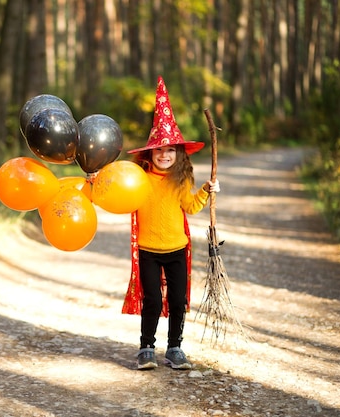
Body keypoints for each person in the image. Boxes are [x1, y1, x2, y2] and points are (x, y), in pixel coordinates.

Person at [122, 76, 220, 370]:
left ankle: (175, 348)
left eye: (170, 150)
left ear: (178, 154)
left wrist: (205, 190)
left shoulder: (181, 179)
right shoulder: (138, 179)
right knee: (152, 299)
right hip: (148, 250)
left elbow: (190, 206)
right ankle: (146, 348)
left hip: (177, 248)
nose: (165, 154)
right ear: (150, 152)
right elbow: (121, 198)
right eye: (159, 149)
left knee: (177, 301)